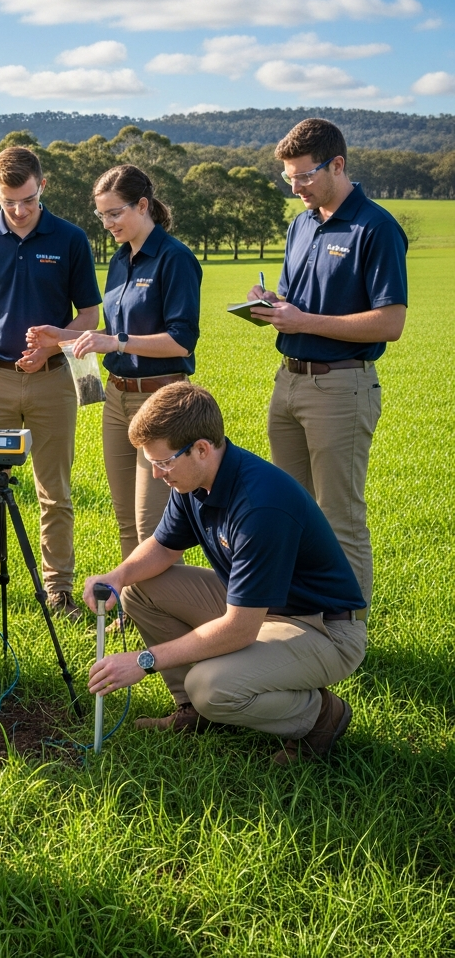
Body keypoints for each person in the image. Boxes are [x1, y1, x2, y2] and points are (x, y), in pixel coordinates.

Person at [84, 382, 367, 766]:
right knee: (139, 589)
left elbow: (239, 629)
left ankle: (319, 716)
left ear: (201, 448)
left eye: (163, 462)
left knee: (209, 687)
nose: (155, 474)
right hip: (261, 608)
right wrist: (118, 576)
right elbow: (165, 547)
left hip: (321, 629)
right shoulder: (193, 480)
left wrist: (143, 661)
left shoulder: (260, 506)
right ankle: (194, 713)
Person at [247, 118, 407, 610]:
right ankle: (304, 615)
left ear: (337, 165)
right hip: (288, 383)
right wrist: (272, 304)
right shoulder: (301, 223)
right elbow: (298, 302)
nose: (295, 187)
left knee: (340, 515)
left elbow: (390, 322)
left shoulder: (375, 227)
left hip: (341, 388)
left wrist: (304, 320)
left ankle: (348, 628)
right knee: (289, 511)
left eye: (304, 176)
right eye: (288, 178)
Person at [0, 146, 101, 618]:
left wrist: (53, 346)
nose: (19, 210)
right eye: (9, 201)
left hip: (54, 383)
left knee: (54, 492)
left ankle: (59, 592)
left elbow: (90, 314)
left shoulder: (72, 240)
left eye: (28, 200)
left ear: (42, 186)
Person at [28, 164, 201, 565]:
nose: (107, 223)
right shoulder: (121, 260)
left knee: (151, 522)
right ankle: (135, 607)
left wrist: (115, 340)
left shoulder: (175, 259)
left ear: (143, 206)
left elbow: (181, 341)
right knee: (125, 519)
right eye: (101, 215)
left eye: (114, 213)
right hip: (116, 399)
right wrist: (62, 336)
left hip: (160, 401)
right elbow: (111, 334)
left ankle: (165, 615)